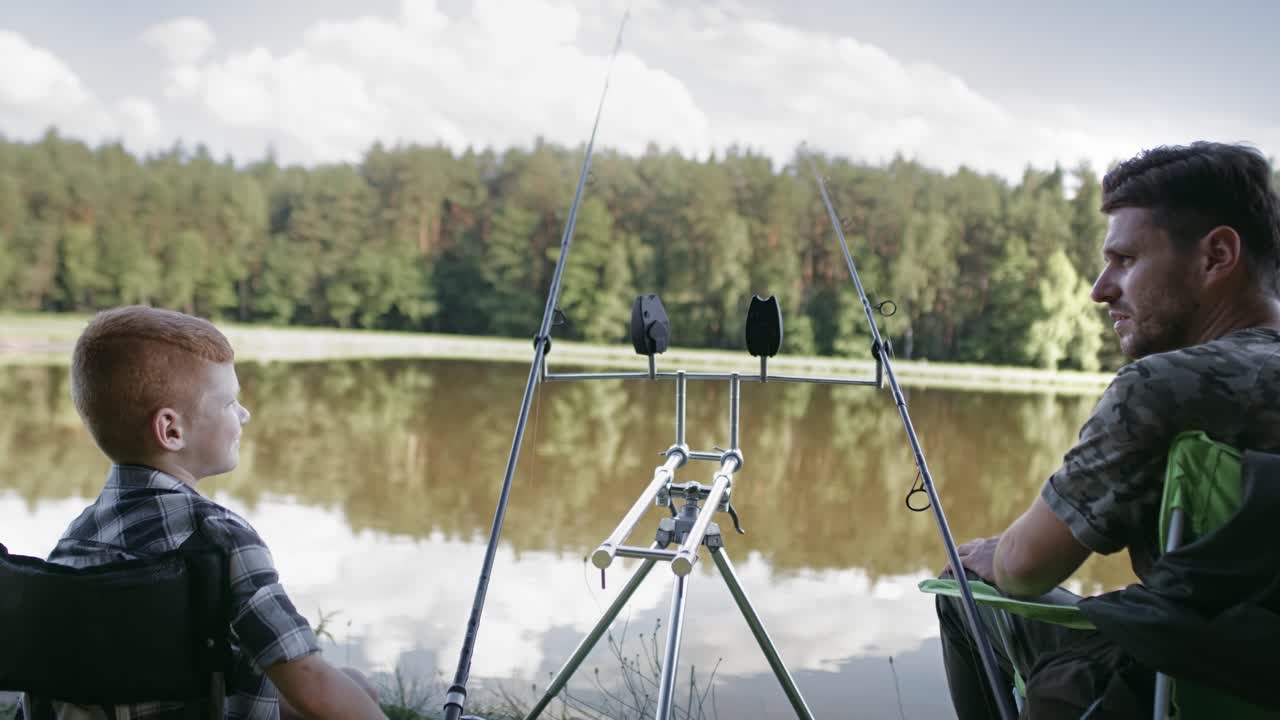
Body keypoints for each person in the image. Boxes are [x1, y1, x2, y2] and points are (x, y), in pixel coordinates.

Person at [937, 141, 1280, 718]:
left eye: (1124, 259)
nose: (1100, 288)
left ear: (1217, 255)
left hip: (1188, 680)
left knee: (964, 586)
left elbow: (1025, 568)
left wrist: (995, 552)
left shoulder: (1164, 385)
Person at [30, 305, 386, 719]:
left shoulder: (76, 539)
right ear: (171, 431)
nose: (244, 414)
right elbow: (310, 680)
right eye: (230, 402)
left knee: (354, 686)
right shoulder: (218, 537)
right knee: (351, 691)